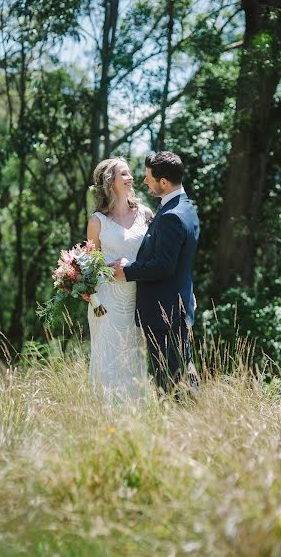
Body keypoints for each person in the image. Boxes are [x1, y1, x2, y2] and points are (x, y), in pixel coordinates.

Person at [112, 151, 200, 396]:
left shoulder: (171, 216)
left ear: (163, 182)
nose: (144, 182)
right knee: (181, 374)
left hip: (166, 314)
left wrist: (126, 270)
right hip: (176, 307)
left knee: (170, 383)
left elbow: (163, 265)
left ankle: (182, 426)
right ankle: (195, 419)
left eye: (148, 177)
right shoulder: (185, 207)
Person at [86, 157, 152, 400]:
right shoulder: (97, 221)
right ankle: (106, 418)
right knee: (110, 362)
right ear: (109, 182)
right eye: (123, 174)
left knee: (136, 359)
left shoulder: (145, 214)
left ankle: (136, 418)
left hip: (140, 297)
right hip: (108, 303)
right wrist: (94, 279)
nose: (130, 178)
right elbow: (89, 266)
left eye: (129, 173)